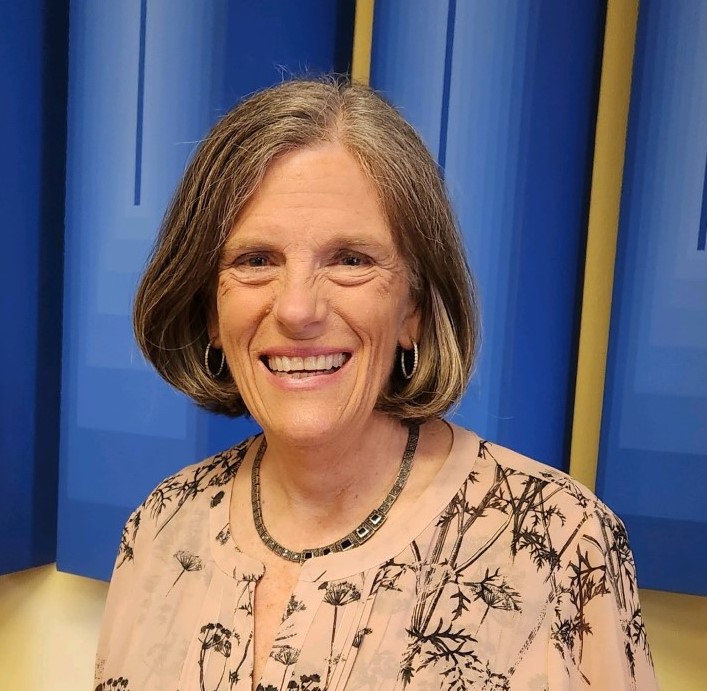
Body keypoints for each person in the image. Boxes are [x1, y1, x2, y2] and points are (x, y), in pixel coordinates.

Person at [95, 78, 659, 691]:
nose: (298, 310)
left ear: (413, 308)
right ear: (210, 310)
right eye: (255, 261)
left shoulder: (559, 544)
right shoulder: (160, 526)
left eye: (351, 260)